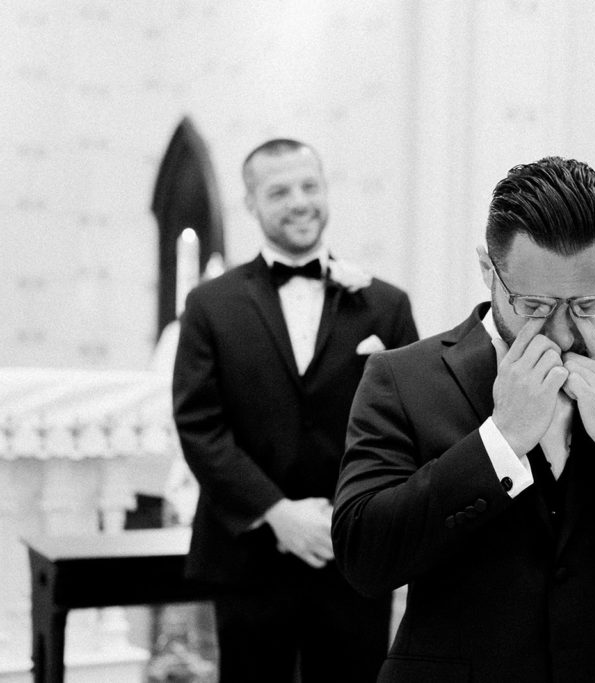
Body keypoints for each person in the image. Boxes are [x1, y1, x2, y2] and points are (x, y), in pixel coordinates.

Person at [333, 156, 595, 682]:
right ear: (488, 269)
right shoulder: (402, 378)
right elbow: (364, 559)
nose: (561, 331)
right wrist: (501, 440)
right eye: (534, 304)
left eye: (588, 304)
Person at [173, 138, 418, 682]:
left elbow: (406, 423)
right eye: (278, 191)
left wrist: (348, 514)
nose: (299, 201)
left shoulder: (386, 304)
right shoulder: (210, 305)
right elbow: (199, 426)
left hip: (350, 552)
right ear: (252, 204)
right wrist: (278, 513)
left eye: (310, 186)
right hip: (249, 554)